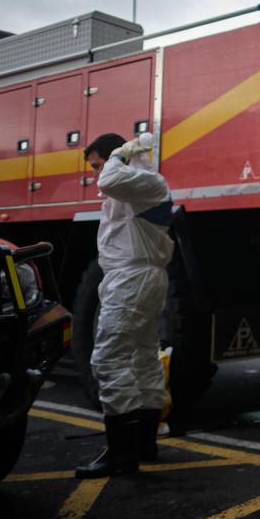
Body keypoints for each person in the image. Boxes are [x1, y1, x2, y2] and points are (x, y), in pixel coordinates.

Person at [75, 132, 174, 478]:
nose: (97, 174)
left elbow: (111, 178)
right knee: (143, 358)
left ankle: (120, 453)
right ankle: (144, 444)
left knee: (108, 358)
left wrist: (118, 155)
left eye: (97, 164)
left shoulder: (141, 180)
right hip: (139, 278)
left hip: (132, 279)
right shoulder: (138, 187)